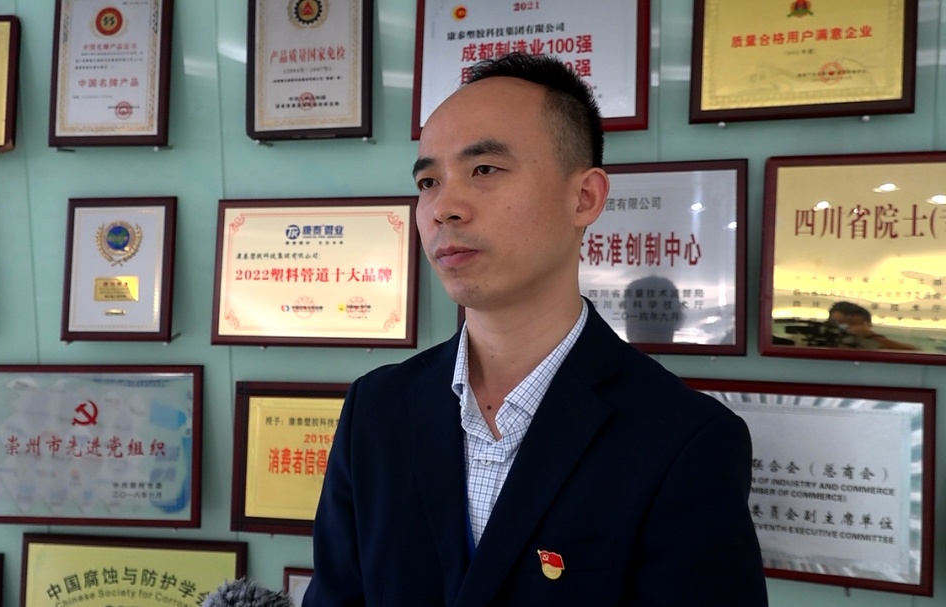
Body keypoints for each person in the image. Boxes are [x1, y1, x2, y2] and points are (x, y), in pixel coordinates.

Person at [304, 53, 768, 606]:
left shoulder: (683, 440)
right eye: (428, 181)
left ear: (584, 197)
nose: (444, 207)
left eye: (484, 170)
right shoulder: (377, 408)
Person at [827, 301, 920, 351]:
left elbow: (915, 352)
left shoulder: (870, 342)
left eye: (853, 324)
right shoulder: (823, 337)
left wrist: (872, 336)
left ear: (868, 326)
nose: (845, 327)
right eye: (839, 322)